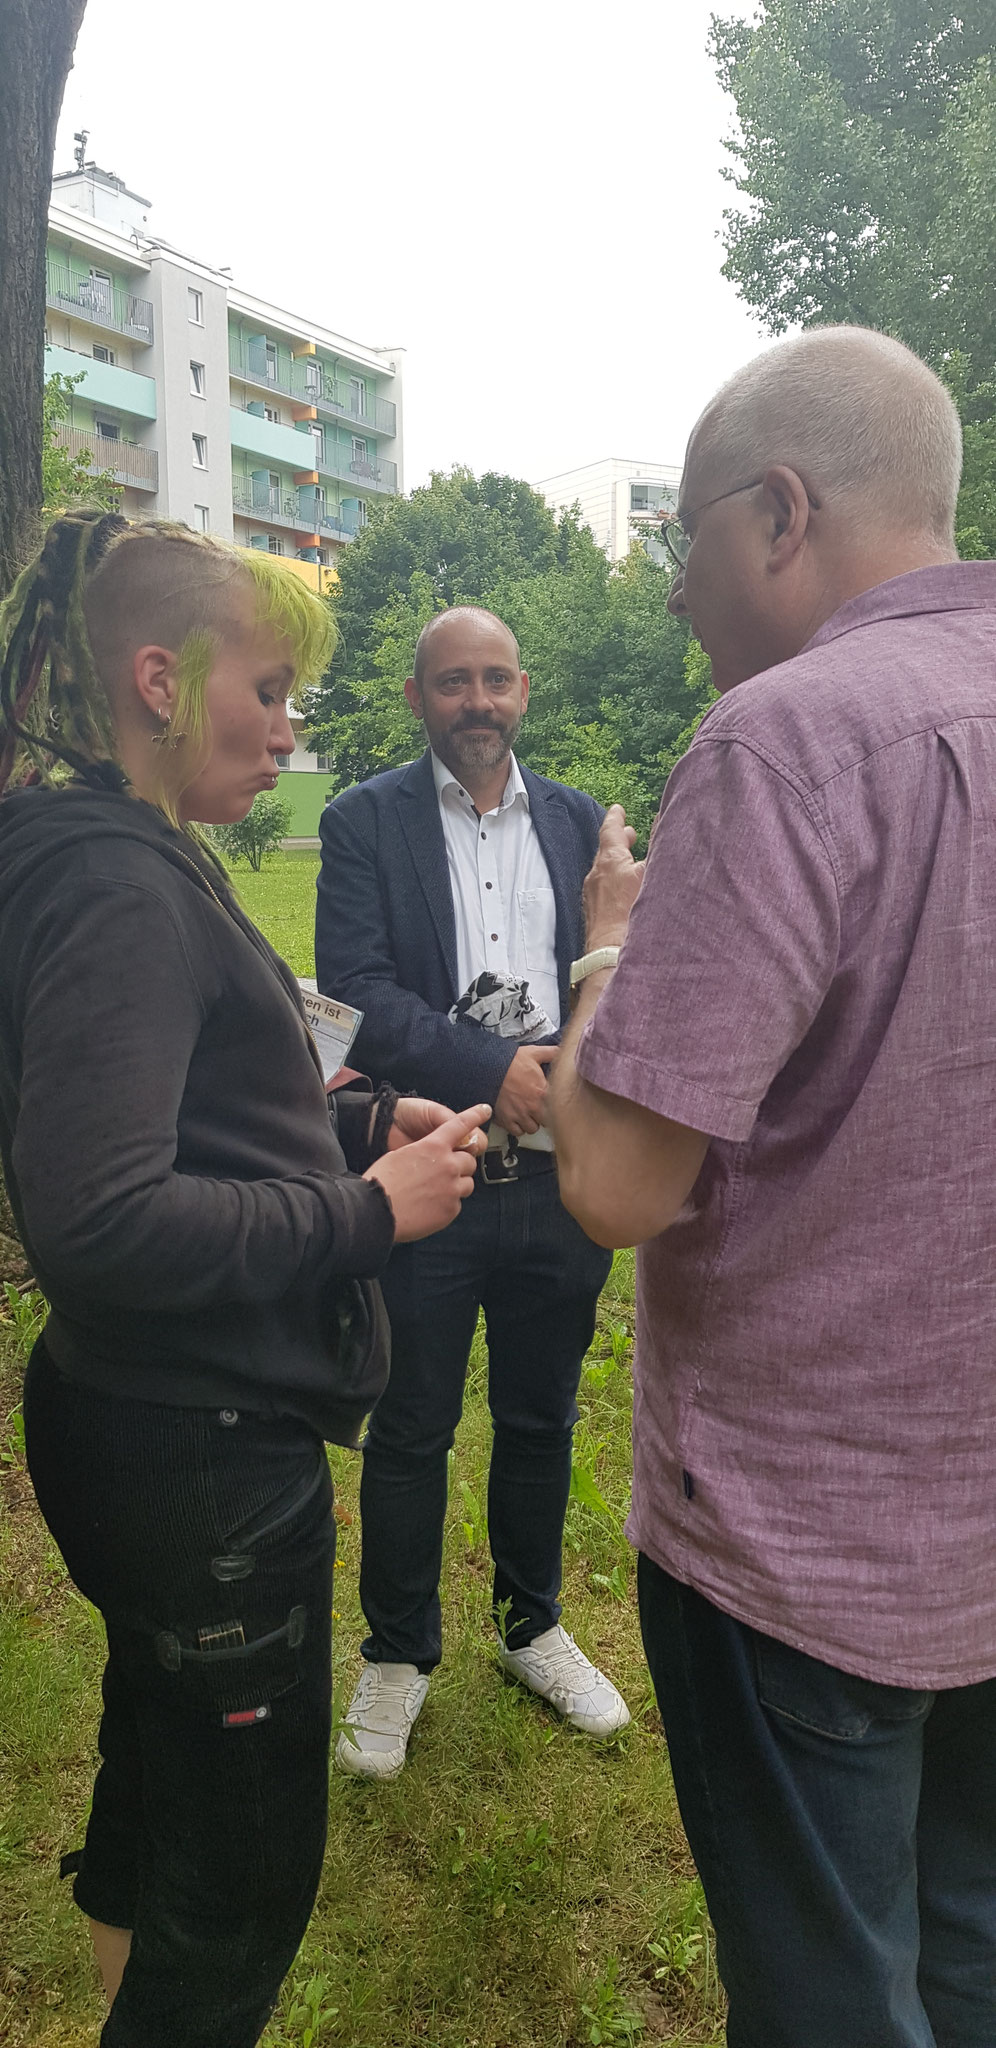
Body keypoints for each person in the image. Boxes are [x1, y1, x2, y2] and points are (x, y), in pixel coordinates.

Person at [549, 327, 996, 2048]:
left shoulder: (780, 742)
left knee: (826, 1991)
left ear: (782, 511)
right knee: (969, 1946)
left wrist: (606, 957)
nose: (672, 589)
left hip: (810, 1547)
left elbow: (612, 1182)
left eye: (682, 537)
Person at [0, 511, 490, 2048]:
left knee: (158, 1766)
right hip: (199, 1456)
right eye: (267, 692)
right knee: (240, 1898)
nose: (289, 734)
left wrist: (349, 1117)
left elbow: (186, 1103)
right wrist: (367, 1210)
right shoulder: (119, 885)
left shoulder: (103, 842)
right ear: (159, 677)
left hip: (141, 1425)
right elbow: (99, 1217)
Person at [315, 604, 629, 1779]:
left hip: (559, 1180)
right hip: (431, 1163)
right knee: (411, 1425)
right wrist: (479, 1063)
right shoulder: (361, 822)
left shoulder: (578, 825)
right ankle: (399, 1650)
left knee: (544, 1414)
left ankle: (530, 1624)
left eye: (496, 679)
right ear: (418, 698)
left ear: (525, 689)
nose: (478, 702)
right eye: (454, 682)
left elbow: (613, 970)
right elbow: (350, 988)